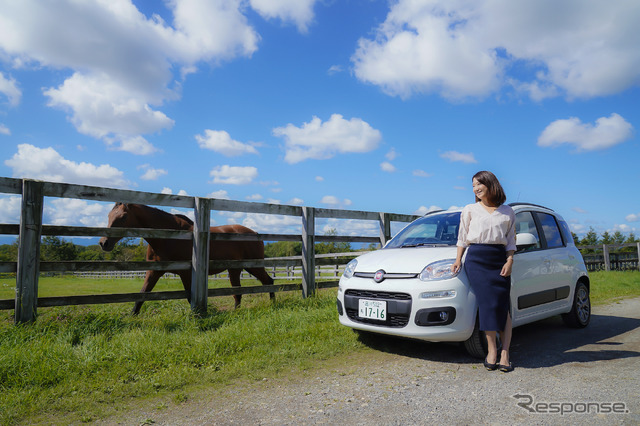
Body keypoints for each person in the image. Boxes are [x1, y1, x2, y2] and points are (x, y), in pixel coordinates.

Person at [452, 171, 516, 372]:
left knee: (501, 305)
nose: (475, 189)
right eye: (473, 186)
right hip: (477, 259)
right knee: (487, 305)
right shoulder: (470, 209)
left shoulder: (507, 211)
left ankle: (505, 353)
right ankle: (492, 351)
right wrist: (457, 259)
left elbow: (511, 240)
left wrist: (510, 260)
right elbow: (463, 237)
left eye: (479, 184)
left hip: (499, 259)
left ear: (490, 184)